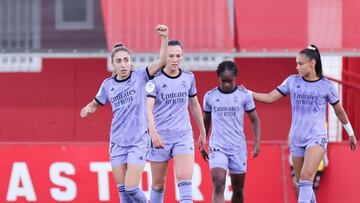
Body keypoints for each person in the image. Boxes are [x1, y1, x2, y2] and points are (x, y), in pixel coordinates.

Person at [249, 44, 357, 203]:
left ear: (312, 63)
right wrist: (248, 93)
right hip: (296, 138)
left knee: (307, 178)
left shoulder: (326, 86)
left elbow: (339, 111)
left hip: (316, 138)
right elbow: (269, 98)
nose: (297, 67)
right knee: (303, 184)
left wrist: (351, 133)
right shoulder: (291, 82)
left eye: (300, 63)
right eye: (296, 63)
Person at [80, 24, 168, 203]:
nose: (123, 64)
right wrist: (89, 108)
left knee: (131, 187)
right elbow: (97, 102)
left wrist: (164, 38)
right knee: (123, 193)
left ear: (130, 61)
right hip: (117, 143)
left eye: (126, 60)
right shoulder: (107, 85)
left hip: (138, 142)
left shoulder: (140, 76)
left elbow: (161, 62)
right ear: (113, 64)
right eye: (119, 61)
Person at [146, 40, 207, 203]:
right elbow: (148, 109)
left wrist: (203, 131)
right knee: (158, 184)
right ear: (165, 57)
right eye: (171, 56)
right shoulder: (154, 79)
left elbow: (194, 104)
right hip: (160, 138)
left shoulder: (188, 77)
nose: (174, 59)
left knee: (185, 180)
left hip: (183, 136)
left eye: (178, 56)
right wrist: (153, 133)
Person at [201, 61, 261, 203]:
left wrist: (257, 143)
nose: (227, 84)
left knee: (238, 189)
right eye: (223, 81)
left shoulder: (244, 96)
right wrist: (202, 140)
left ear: (235, 78)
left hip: (237, 147)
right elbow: (206, 121)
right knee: (218, 183)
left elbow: (255, 120)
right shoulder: (210, 96)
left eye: (230, 81)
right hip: (218, 146)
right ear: (218, 78)